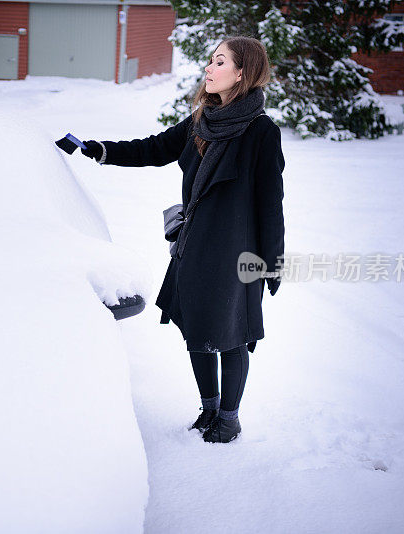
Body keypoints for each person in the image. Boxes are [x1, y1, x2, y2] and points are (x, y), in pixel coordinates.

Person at [77, 36, 285, 443]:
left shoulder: (261, 132)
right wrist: (99, 150)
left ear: (241, 72)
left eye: (219, 62)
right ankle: (208, 409)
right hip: (193, 248)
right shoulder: (201, 120)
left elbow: (271, 205)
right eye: (210, 61)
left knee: (232, 335)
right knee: (196, 329)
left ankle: (229, 417)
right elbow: (154, 148)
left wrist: (272, 263)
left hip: (236, 254)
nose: (208, 68)